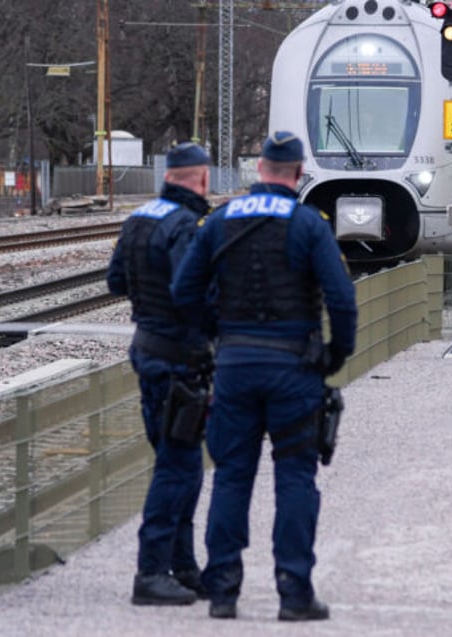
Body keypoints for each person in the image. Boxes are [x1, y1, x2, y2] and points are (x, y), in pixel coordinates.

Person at [170, 131, 358, 621]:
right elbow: (341, 298)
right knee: (296, 476)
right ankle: (294, 592)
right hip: (294, 368)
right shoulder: (309, 224)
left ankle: (224, 591)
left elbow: (183, 290)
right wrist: (335, 355)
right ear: (298, 174)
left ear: (259, 170)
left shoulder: (219, 220)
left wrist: (215, 337)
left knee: (232, 476)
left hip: (234, 365)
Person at [106, 142, 213, 606]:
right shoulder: (185, 226)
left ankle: (184, 568)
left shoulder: (139, 218)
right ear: (201, 178)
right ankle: (151, 573)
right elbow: (190, 292)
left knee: (176, 461)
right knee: (179, 468)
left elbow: (115, 282)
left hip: (147, 352)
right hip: (178, 362)